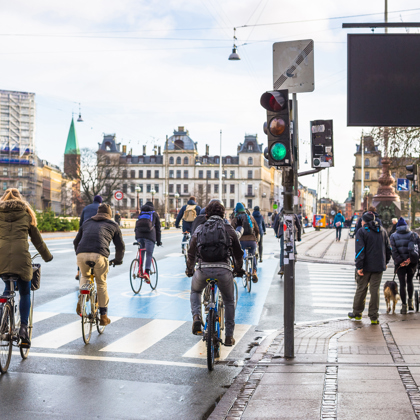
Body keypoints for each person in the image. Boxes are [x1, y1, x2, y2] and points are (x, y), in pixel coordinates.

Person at [186, 200, 244, 346]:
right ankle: (229, 336)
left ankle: (197, 317)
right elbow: (238, 253)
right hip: (223, 270)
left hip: (203, 270)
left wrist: (190, 269)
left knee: (195, 291)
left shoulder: (200, 228)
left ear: (206, 214)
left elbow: (191, 253)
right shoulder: (228, 229)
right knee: (229, 301)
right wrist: (238, 269)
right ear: (223, 214)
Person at [0, 188, 53, 347]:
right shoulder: (26, 214)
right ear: (19, 198)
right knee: (24, 292)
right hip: (21, 258)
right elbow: (37, 240)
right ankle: (23, 329)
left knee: (6, 288)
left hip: (1, 258)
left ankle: (3, 319)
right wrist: (47, 256)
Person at [74, 203, 125, 326]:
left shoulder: (87, 222)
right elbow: (120, 246)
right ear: (109, 214)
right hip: (99, 255)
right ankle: (103, 317)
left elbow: (76, 241)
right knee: (101, 283)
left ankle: (81, 299)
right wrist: (118, 260)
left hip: (81, 254)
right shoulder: (113, 225)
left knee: (85, 277)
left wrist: (80, 253)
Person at [348, 212, 391, 324]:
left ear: (364, 221)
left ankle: (357, 313)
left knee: (361, 289)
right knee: (375, 291)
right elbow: (388, 249)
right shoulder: (382, 230)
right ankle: (373, 317)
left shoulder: (362, 231)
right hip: (378, 266)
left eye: (362, 220)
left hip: (365, 266)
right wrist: (385, 262)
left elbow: (360, 251)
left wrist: (359, 266)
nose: (361, 222)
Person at [390, 217, 419, 314]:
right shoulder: (414, 235)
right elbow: (417, 249)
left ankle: (404, 307)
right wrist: (410, 260)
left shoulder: (393, 236)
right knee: (410, 281)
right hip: (412, 263)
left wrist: (400, 261)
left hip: (400, 264)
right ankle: (411, 303)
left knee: (402, 284)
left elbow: (393, 251)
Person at [76, 195, 103, 280]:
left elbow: (80, 223)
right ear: (100, 202)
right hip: (97, 232)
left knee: (81, 251)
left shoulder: (86, 208)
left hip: (85, 231)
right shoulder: (101, 208)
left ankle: (78, 272)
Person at [231, 203, 260, 282]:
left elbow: (231, 232)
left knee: (238, 254)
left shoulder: (235, 219)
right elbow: (257, 230)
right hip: (252, 241)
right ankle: (254, 271)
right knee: (252, 255)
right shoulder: (250, 217)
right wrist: (256, 239)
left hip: (241, 242)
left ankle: (237, 268)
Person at [134, 202, 162, 283]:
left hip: (139, 236)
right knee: (149, 254)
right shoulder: (154, 214)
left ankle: (139, 271)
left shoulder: (141, 214)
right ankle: (146, 272)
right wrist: (158, 241)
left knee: (141, 253)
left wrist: (137, 237)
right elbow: (158, 229)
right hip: (150, 236)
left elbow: (136, 226)